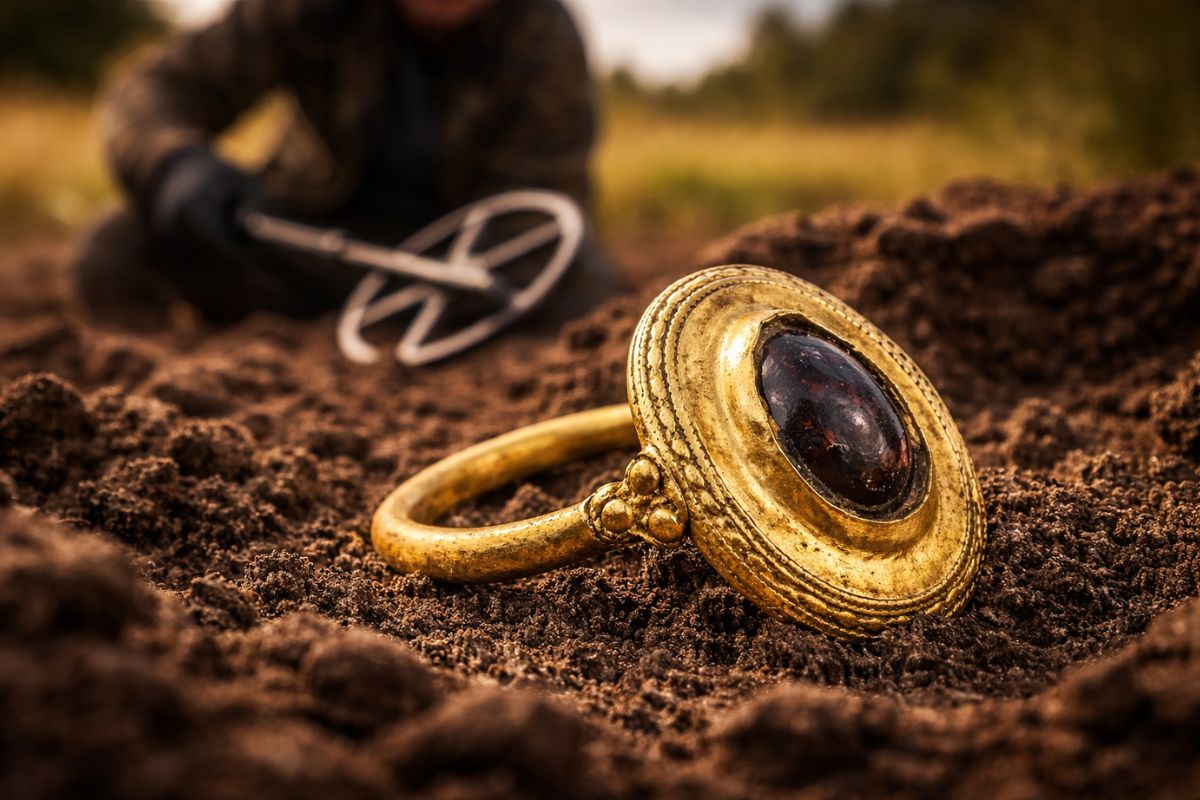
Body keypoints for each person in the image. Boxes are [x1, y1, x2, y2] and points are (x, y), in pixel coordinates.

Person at [75, 0, 616, 328]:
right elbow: (155, 88)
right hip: (306, 242)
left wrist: (469, 292)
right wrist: (174, 162)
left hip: (455, 270)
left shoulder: (545, 36)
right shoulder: (310, 9)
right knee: (119, 247)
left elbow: (540, 215)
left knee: (592, 291)